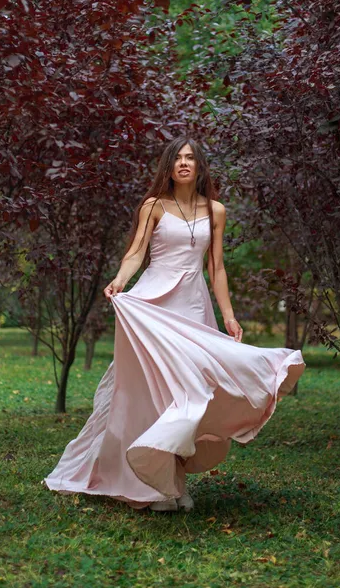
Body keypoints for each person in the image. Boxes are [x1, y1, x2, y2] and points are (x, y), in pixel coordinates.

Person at [43, 136, 306, 512]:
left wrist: (228, 315)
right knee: (150, 393)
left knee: (191, 389)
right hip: (153, 303)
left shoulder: (216, 210)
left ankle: (173, 480)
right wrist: (120, 281)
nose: (184, 163)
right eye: (177, 158)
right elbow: (136, 252)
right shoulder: (153, 206)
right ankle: (154, 486)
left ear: (199, 166)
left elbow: (216, 267)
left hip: (193, 304)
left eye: (190, 158)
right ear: (168, 166)